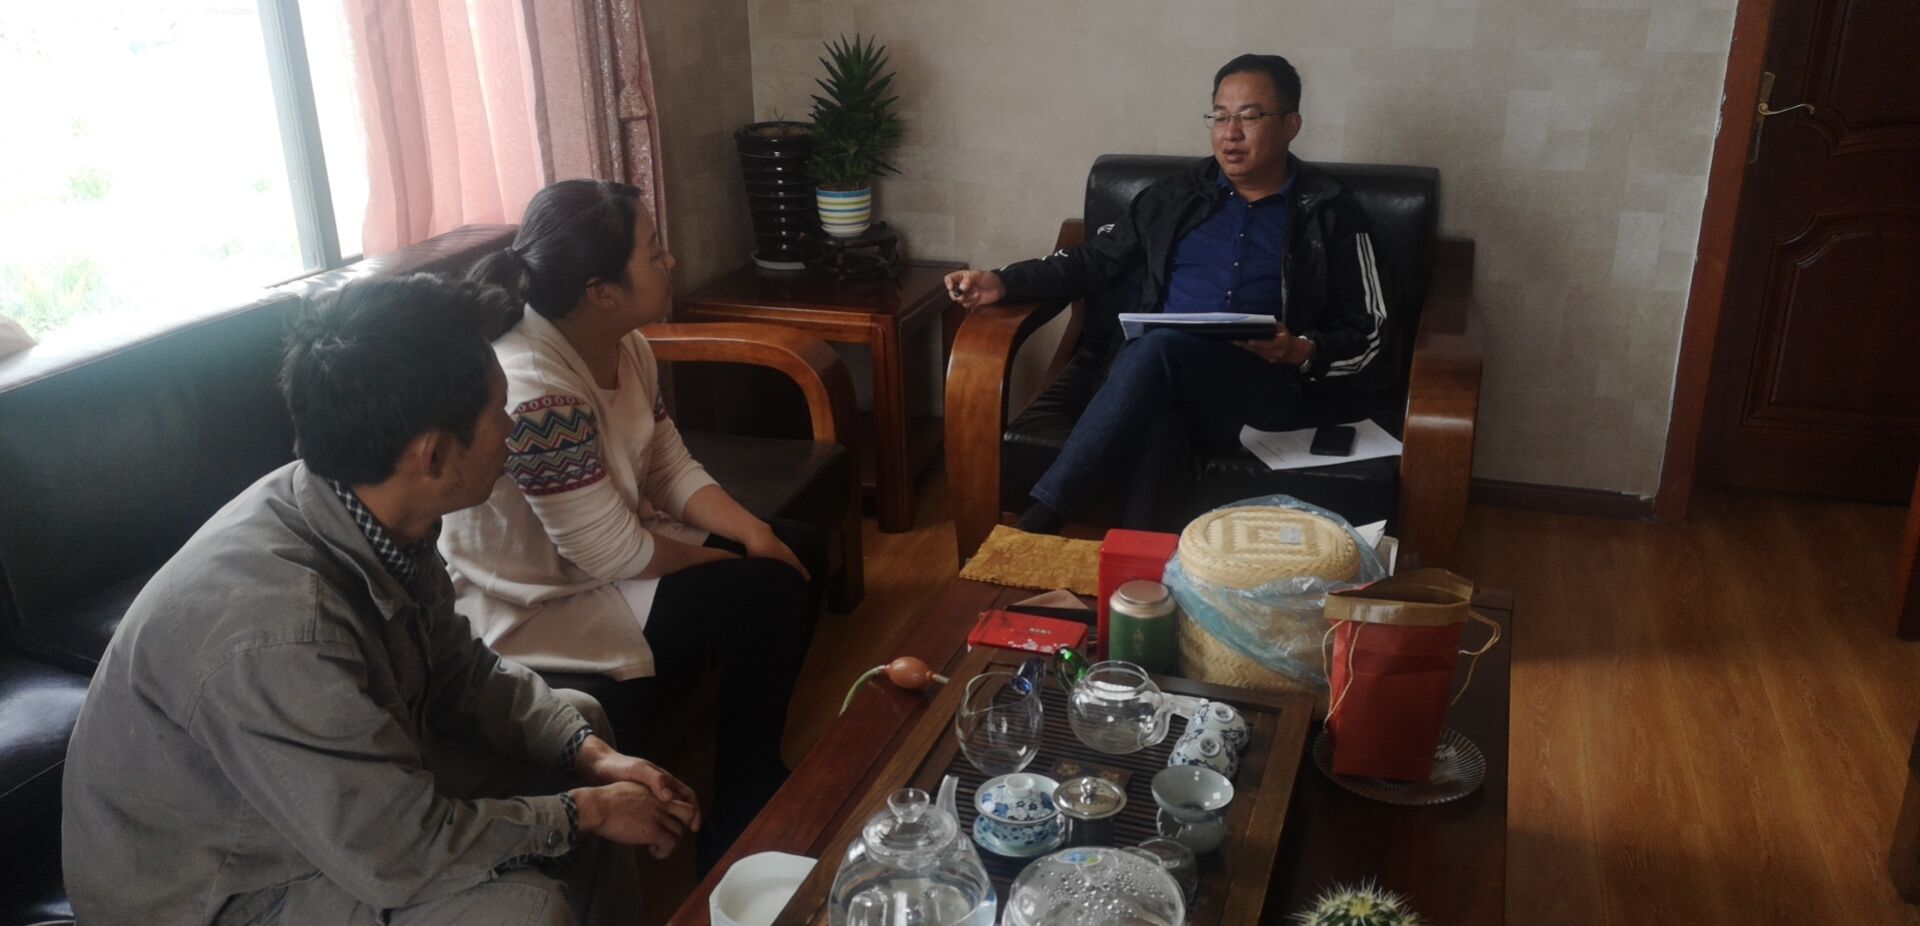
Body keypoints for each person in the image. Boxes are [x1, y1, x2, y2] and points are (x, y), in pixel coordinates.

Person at [62, 275, 702, 925]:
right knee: (524, 911)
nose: (512, 428)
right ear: (432, 456)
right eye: (498, 412)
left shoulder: (367, 505)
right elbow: (397, 852)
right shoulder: (279, 633)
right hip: (217, 892)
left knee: (579, 730)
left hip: (312, 815)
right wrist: (583, 814)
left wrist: (592, 757)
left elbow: (460, 672)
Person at [442, 179, 825, 871]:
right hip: (534, 602)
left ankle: (751, 772)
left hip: (600, 563)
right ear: (602, 291)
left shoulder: (626, 345)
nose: (670, 261)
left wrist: (753, 535)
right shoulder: (536, 387)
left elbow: (668, 467)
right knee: (766, 589)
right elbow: (611, 551)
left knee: (795, 549)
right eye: (654, 252)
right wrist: (737, 563)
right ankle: (740, 815)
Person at [944, 53, 1388, 532]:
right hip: (1161, 382)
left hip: (1263, 389)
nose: (1230, 133)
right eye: (1220, 115)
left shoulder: (1330, 211)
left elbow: (1371, 332)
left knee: (1157, 351)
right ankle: (1138, 567)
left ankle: (1044, 518)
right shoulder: (1174, 197)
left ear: (1290, 125)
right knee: (1160, 418)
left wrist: (1299, 350)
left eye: (1249, 116)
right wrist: (1004, 281)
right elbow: (1094, 260)